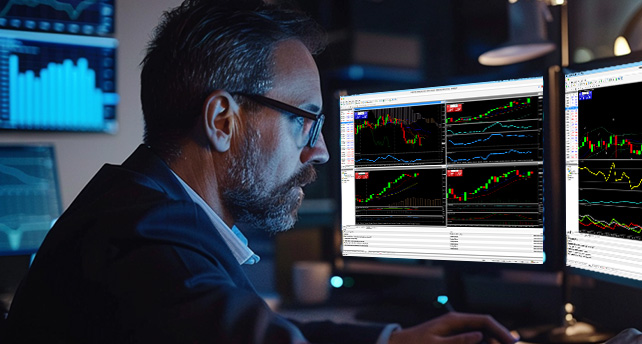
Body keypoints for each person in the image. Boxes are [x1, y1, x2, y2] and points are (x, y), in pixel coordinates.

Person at [3, 1, 517, 343]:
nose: (320, 153)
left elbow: (255, 328)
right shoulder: (149, 246)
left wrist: (391, 339)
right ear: (222, 120)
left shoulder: (141, 206)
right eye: (305, 123)